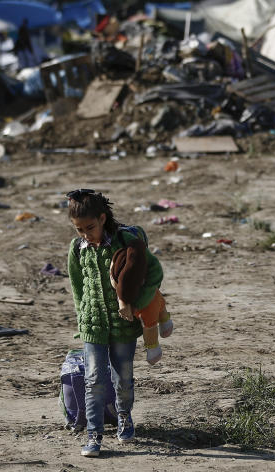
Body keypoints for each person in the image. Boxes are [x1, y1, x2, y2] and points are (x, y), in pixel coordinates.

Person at [66, 189, 164, 457]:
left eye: (90, 227)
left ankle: (124, 416)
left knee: (123, 379)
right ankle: (94, 435)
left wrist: (137, 303)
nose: (86, 234)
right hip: (93, 325)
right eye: (79, 230)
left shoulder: (126, 241)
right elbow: (77, 288)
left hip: (123, 327)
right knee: (94, 379)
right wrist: (82, 319)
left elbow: (154, 272)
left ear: (102, 218)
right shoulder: (77, 249)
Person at [109, 240, 174, 366]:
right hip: (154, 298)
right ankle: (165, 321)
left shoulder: (142, 298)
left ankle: (153, 347)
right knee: (160, 305)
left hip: (148, 307)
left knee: (150, 324)